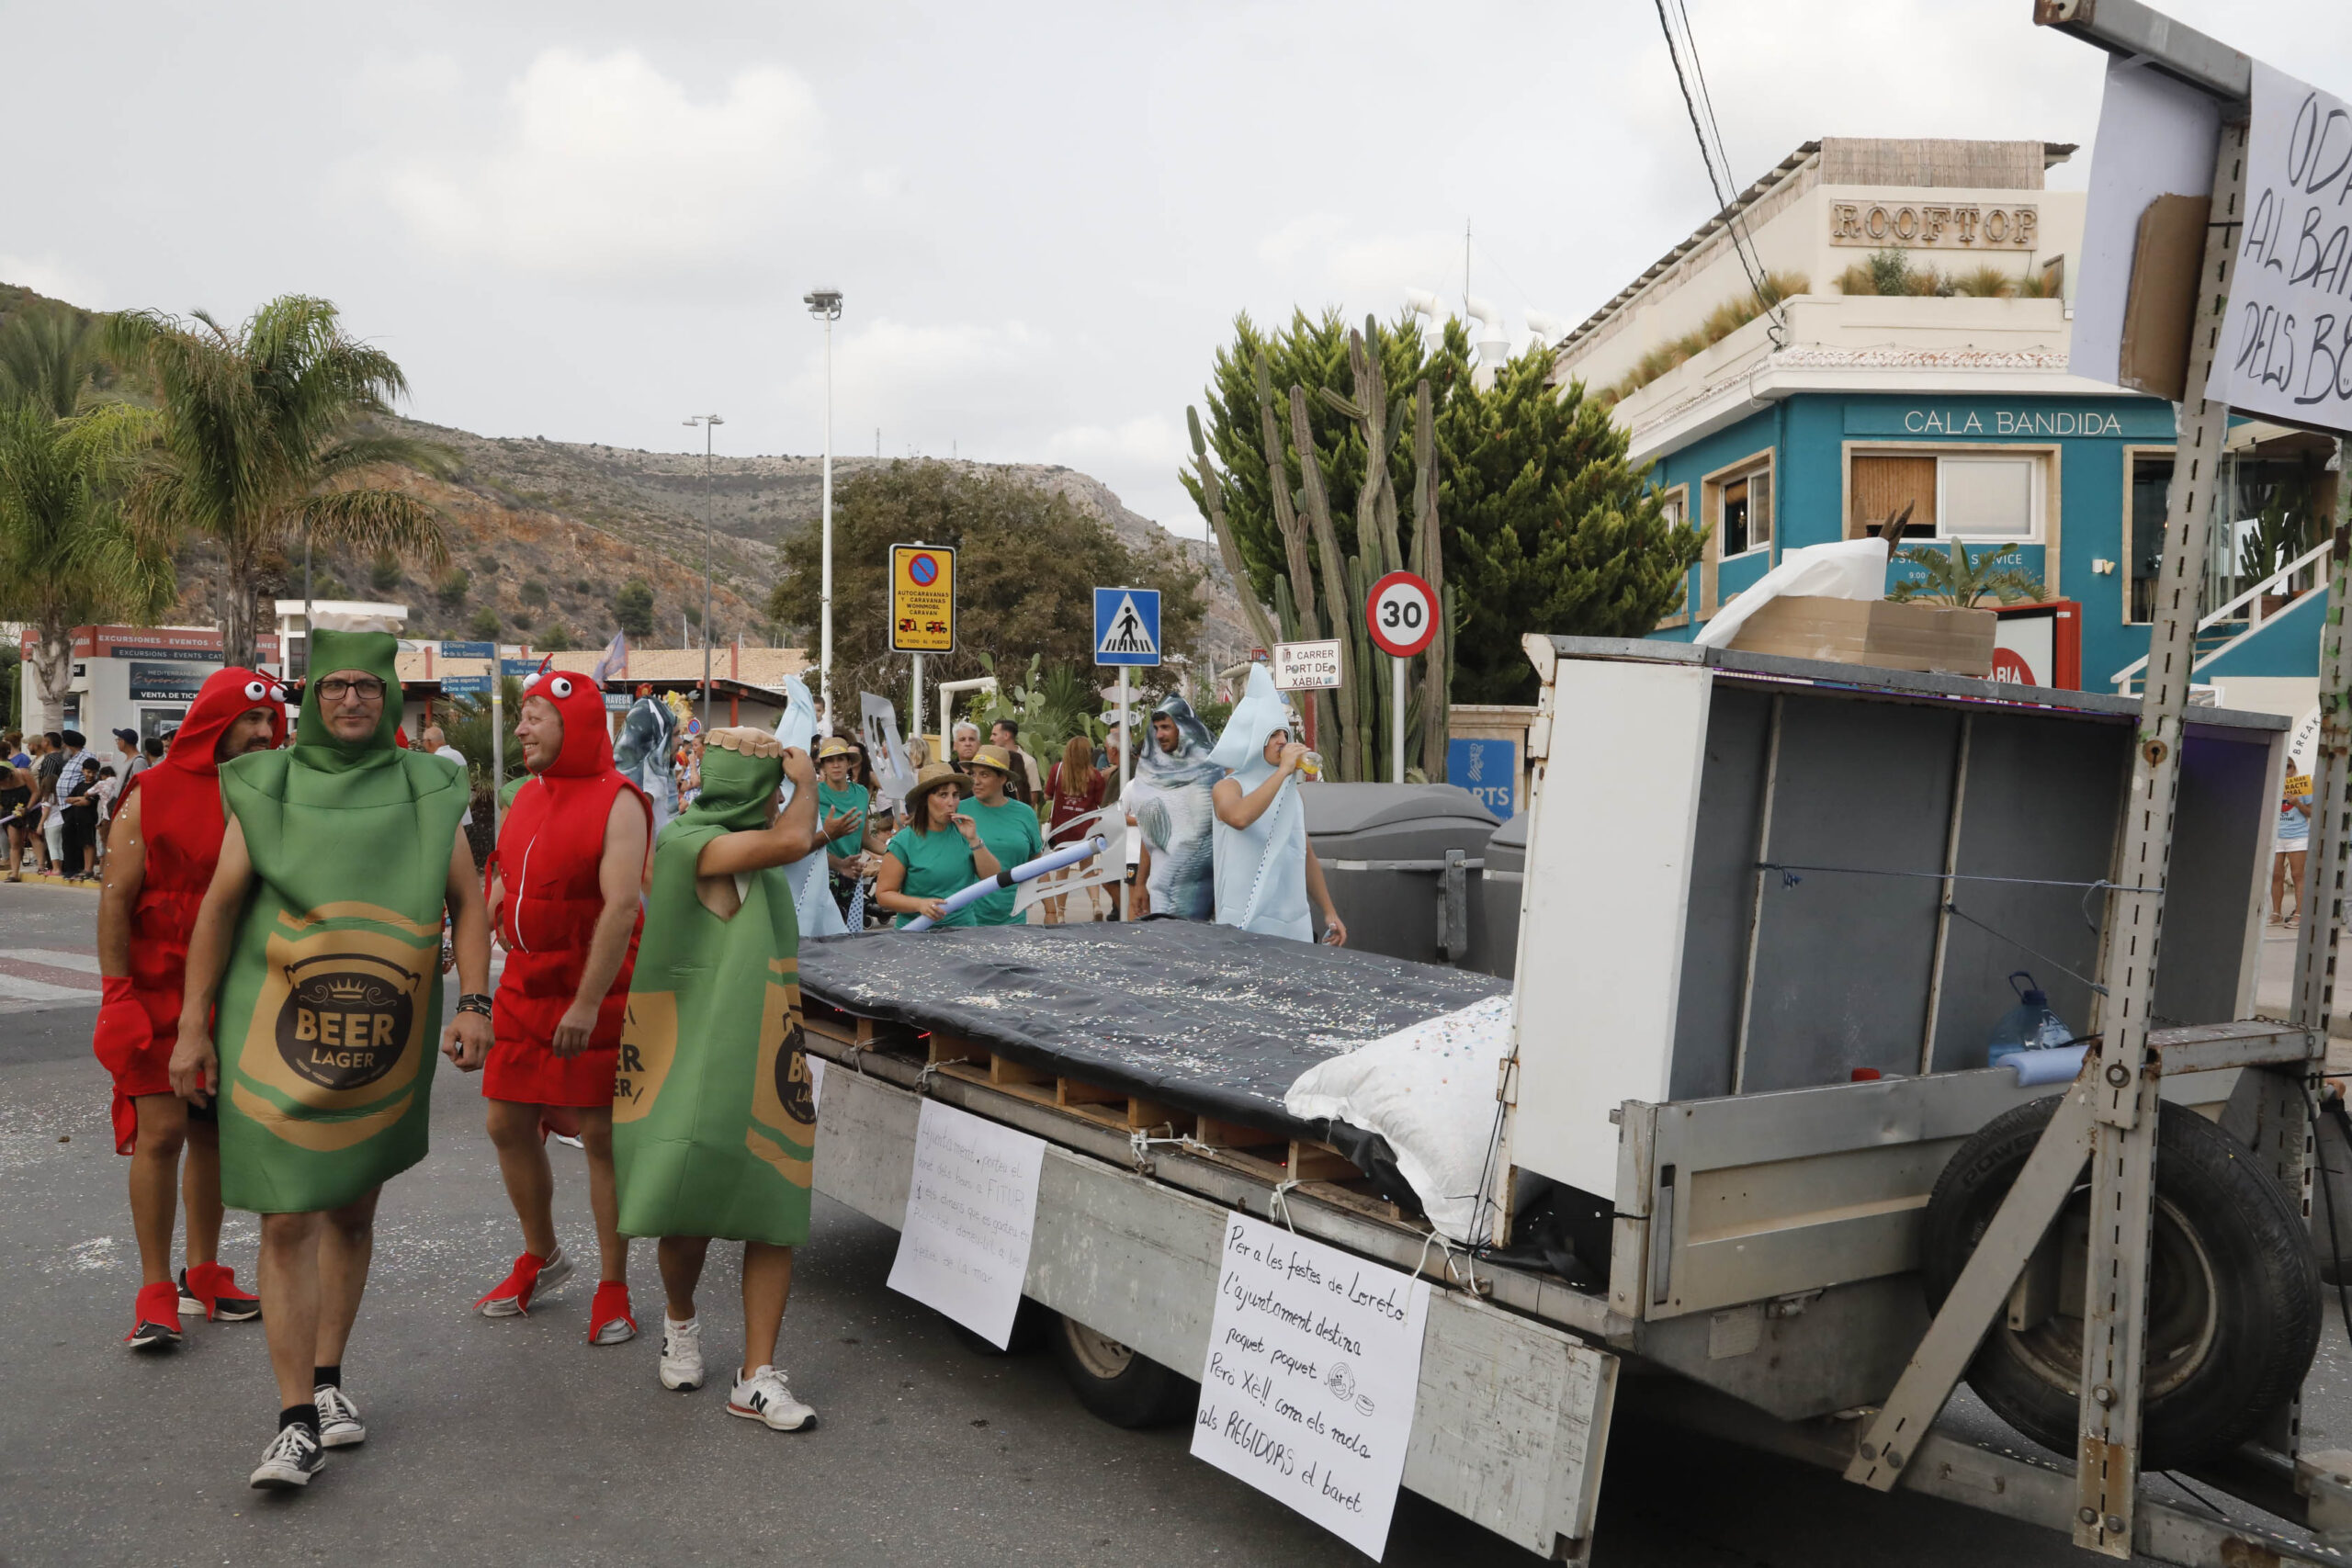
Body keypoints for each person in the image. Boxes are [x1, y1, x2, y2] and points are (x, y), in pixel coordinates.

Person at [168, 627, 490, 1491]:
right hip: (274, 1035)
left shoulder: (428, 788)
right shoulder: (267, 785)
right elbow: (218, 911)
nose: (352, 699)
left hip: (384, 1037)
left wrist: (473, 1003)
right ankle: (293, 1419)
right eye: (337, 685)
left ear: (388, 697)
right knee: (286, 1218)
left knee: (351, 1212)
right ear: (312, 698)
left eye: (368, 687)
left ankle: (329, 1379)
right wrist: (193, 1027)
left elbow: (468, 899)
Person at [610, 728, 822, 1428]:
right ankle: (680, 1320)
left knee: (772, 1210)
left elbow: (788, 845)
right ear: (754, 791)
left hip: (762, 1048)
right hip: (692, 1057)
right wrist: (808, 783)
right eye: (768, 792)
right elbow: (788, 841)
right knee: (689, 1208)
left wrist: (816, 823)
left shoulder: (736, 846)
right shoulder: (687, 841)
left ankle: (757, 1375)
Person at [92, 668, 284, 1349]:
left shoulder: (271, 791)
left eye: (270, 722)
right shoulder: (153, 790)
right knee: (162, 1133)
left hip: (239, 990)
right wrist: (118, 995)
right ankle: (154, 1289)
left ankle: (202, 1270)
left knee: (211, 1135)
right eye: (249, 721)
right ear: (214, 721)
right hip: (154, 987)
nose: (263, 733)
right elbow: (116, 898)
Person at [474, 665, 652, 1344]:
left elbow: (621, 905)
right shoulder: (527, 794)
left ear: (573, 723)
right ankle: (543, 1254)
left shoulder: (621, 801)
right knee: (504, 1121)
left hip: (593, 989)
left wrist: (586, 1002)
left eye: (533, 716)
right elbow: (508, 861)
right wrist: (496, 889)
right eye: (520, 716)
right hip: (524, 985)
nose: (521, 728)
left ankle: (613, 1284)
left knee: (601, 1136)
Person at [1209, 668, 1347, 945]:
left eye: (1284, 734)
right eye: (1273, 735)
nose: (1282, 741)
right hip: (1244, 922)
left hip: (1292, 922)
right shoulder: (1228, 787)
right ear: (1254, 738)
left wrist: (1330, 912)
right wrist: (1283, 771)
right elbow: (1239, 817)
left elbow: (1303, 852)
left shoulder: (1291, 794)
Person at [1130, 694, 1223, 922]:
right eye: (1156, 728)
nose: (1160, 734)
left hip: (1200, 892)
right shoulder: (1151, 773)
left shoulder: (1211, 771)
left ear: (1183, 727)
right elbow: (1150, 832)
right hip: (1160, 891)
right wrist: (1141, 883)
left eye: (1166, 727)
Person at [874, 762, 1001, 928]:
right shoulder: (904, 841)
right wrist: (919, 904)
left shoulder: (964, 833)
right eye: (943, 795)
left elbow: (993, 879)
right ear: (925, 800)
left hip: (963, 932)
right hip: (917, 934)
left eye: (955, 795)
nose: (951, 802)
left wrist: (975, 840)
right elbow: (883, 895)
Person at [963, 745, 1045, 925]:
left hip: (1014, 916)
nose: (976, 781)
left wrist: (1051, 909)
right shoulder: (960, 811)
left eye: (984, 775)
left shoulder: (1025, 813)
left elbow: (1037, 860)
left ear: (1002, 778)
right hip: (968, 918)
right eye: (973, 774)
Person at [1044, 737, 1106, 923]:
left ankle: (1061, 913)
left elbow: (1047, 795)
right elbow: (1099, 803)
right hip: (1085, 829)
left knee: (1062, 870)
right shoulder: (1095, 775)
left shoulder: (1058, 770)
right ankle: (1096, 904)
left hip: (1062, 828)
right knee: (1087, 868)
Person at [814, 738, 873, 922]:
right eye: (830, 760)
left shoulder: (862, 793)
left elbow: (865, 839)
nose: (836, 765)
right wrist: (838, 863)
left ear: (849, 763)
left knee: (848, 937)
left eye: (840, 759)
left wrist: (894, 852)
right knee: (822, 939)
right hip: (821, 876)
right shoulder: (813, 793)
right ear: (822, 766)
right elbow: (806, 842)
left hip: (853, 877)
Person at [55, 729, 98, 879]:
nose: (62, 746)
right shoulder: (72, 758)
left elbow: (93, 780)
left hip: (79, 804)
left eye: (64, 743)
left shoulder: (87, 757)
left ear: (69, 744)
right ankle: (72, 867)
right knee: (69, 835)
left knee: (73, 835)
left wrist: (81, 799)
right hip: (66, 804)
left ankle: (74, 868)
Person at [2275, 772, 2314, 926]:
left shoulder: (2303, 787)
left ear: (2294, 769)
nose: (2286, 770)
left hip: (2297, 836)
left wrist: (2297, 803)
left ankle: (2299, 913)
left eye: (2289, 766)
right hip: (2276, 836)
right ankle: (2276, 912)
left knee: (2298, 875)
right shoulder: (2275, 784)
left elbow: (2312, 812)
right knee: (2276, 875)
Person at [422, 724, 472, 832]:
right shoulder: (457, 754)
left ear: (429, 742)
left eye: (423, 741)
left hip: (449, 820)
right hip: (464, 815)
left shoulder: (436, 760)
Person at [989, 718, 1044, 805]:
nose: (991, 738)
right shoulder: (991, 760)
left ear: (1006, 735)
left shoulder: (1028, 761)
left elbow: (1033, 797)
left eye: (994, 734)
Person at [2, 734, 32, 881]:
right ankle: (14, 870)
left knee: (20, 841)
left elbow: (36, 792)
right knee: (13, 842)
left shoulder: (23, 773)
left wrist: (27, 808)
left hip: (25, 807)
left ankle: (17, 871)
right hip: (7, 810)